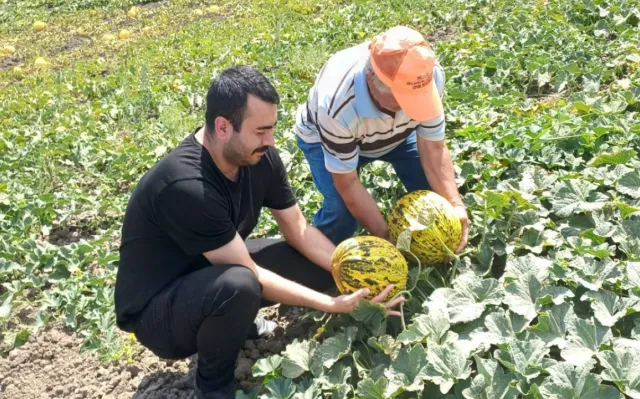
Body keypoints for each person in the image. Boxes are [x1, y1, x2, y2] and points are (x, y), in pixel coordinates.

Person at [113, 65, 404, 399]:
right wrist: (332, 304)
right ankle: (213, 386)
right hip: (158, 313)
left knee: (320, 260)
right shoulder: (187, 185)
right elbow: (249, 273)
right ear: (223, 127)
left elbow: (298, 229)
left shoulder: (259, 158)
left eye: (272, 128)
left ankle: (234, 323)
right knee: (239, 286)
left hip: (207, 270)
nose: (271, 140)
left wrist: (355, 274)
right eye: (261, 131)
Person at [294, 25, 470, 253]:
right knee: (342, 211)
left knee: (438, 198)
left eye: (418, 100)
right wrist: (388, 238)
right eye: (405, 101)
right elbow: (347, 183)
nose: (410, 110)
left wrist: (455, 205)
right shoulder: (336, 104)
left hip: (399, 137)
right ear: (372, 81)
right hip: (325, 139)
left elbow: (434, 147)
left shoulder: (428, 76)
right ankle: (320, 253)